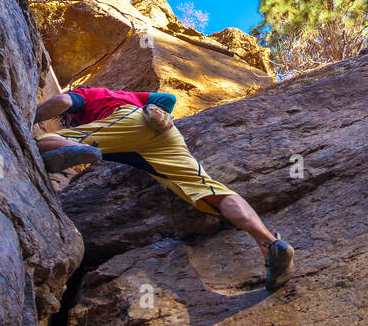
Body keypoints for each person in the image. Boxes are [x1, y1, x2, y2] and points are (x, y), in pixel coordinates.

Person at [34, 85, 295, 290]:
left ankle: (66, 145)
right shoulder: (130, 95)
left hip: (127, 122)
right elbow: (167, 99)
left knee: (42, 142)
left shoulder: (92, 97)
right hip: (164, 134)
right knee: (210, 191)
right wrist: (156, 112)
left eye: (66, 120)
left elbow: (64, 101)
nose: (68, 119)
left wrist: (31, 116)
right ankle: (270, 244)